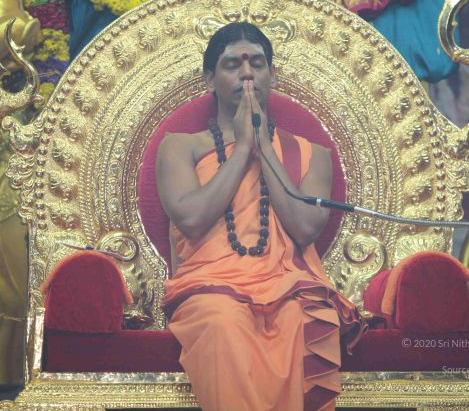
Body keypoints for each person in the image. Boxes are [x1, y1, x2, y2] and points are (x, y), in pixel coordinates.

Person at [156, 22, 364, 411]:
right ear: (210, 79)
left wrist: (262, 146)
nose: (247, 73)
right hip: (209, 290)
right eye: (232, 64)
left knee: (301, 320)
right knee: (221, 322)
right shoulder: (180, 148)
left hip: (289, 288)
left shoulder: (312, 154)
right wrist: (241, 150)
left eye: (256, 63)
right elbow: (192, 219)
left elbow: (304, 229)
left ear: (272, 74)